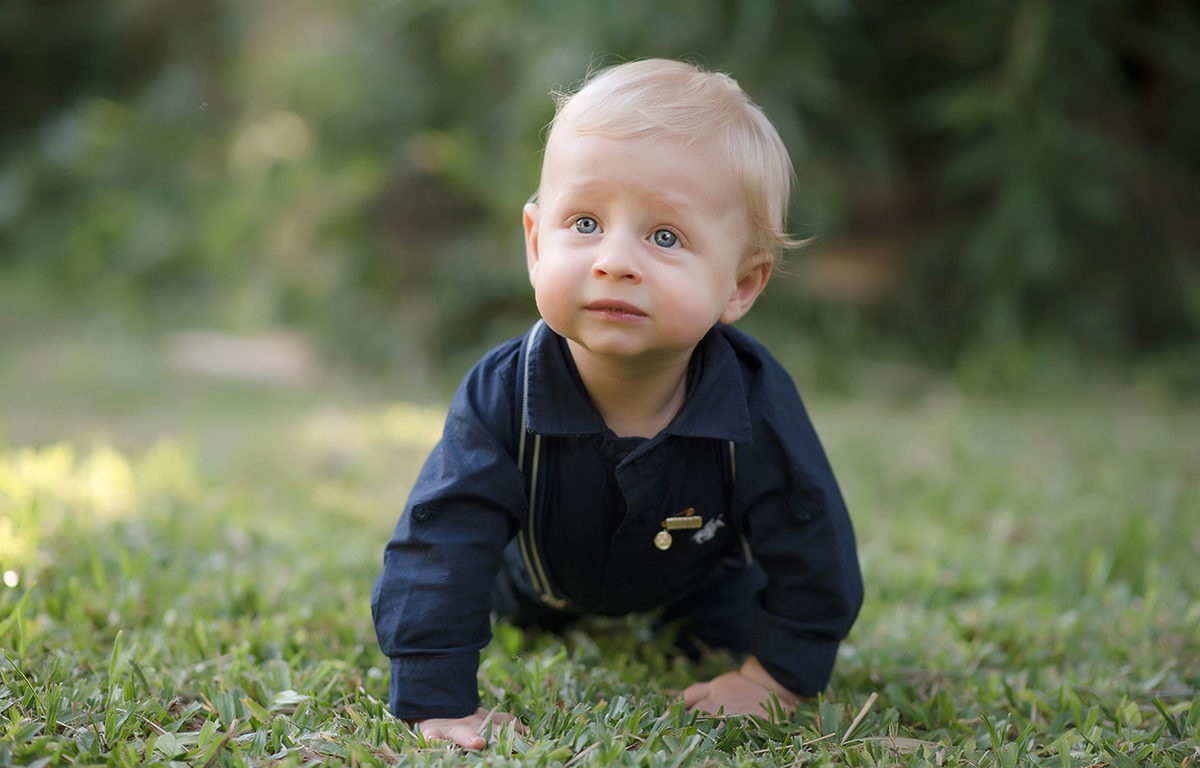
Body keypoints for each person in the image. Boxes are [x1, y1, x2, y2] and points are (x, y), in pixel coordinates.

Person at [371, 58, 863, 751]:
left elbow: (813, 540)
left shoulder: (754, 399)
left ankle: (710, 635)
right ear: (536, 242)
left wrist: (777, 676)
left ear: (741, 285)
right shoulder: (502, 392)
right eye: (585, 222)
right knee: (494, 594)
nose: (614, 260)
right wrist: (435, 695)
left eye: (665, 237)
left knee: (722, 619)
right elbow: (440, 538)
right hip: (536, 581)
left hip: (699, 581)